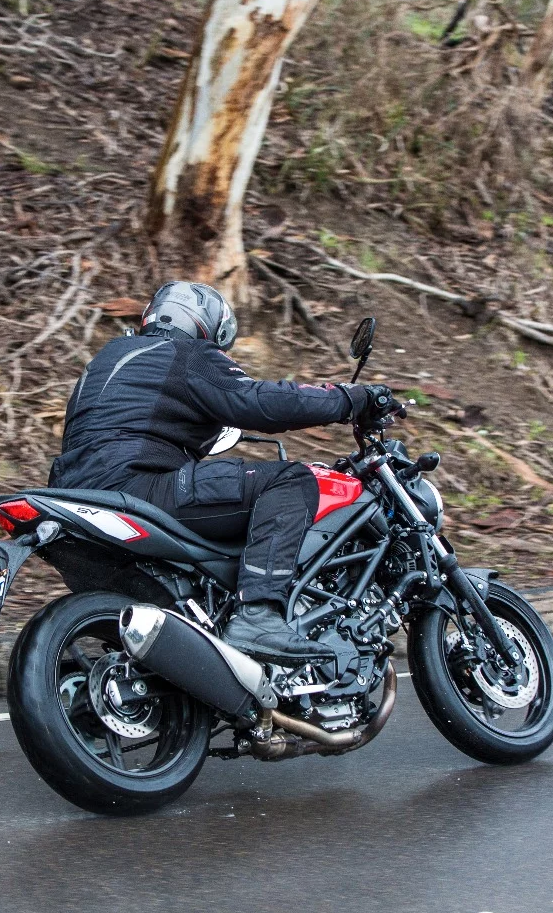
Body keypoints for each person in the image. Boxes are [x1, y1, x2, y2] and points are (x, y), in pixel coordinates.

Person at [49, 281, 399, 665]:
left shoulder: (107, 360)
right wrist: (352, 398)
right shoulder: (185, 354)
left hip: (76, 495)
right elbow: (259, 402)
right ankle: (258, 615)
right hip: (137, 488)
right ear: (208, 326)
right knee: (290, 479)